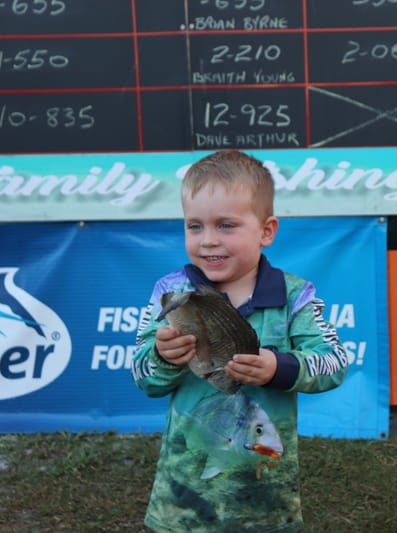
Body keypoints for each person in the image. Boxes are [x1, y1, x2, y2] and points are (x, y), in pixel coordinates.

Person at [131, 149, 349, 532]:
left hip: (267, 505)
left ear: (267, 231)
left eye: (226, 225)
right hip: (180, 508)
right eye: (194, 226)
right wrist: (163, 357)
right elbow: (141, 373)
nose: (208, 241)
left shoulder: (295, 295)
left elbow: (334, 361)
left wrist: (278, 367)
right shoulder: (170, 292)